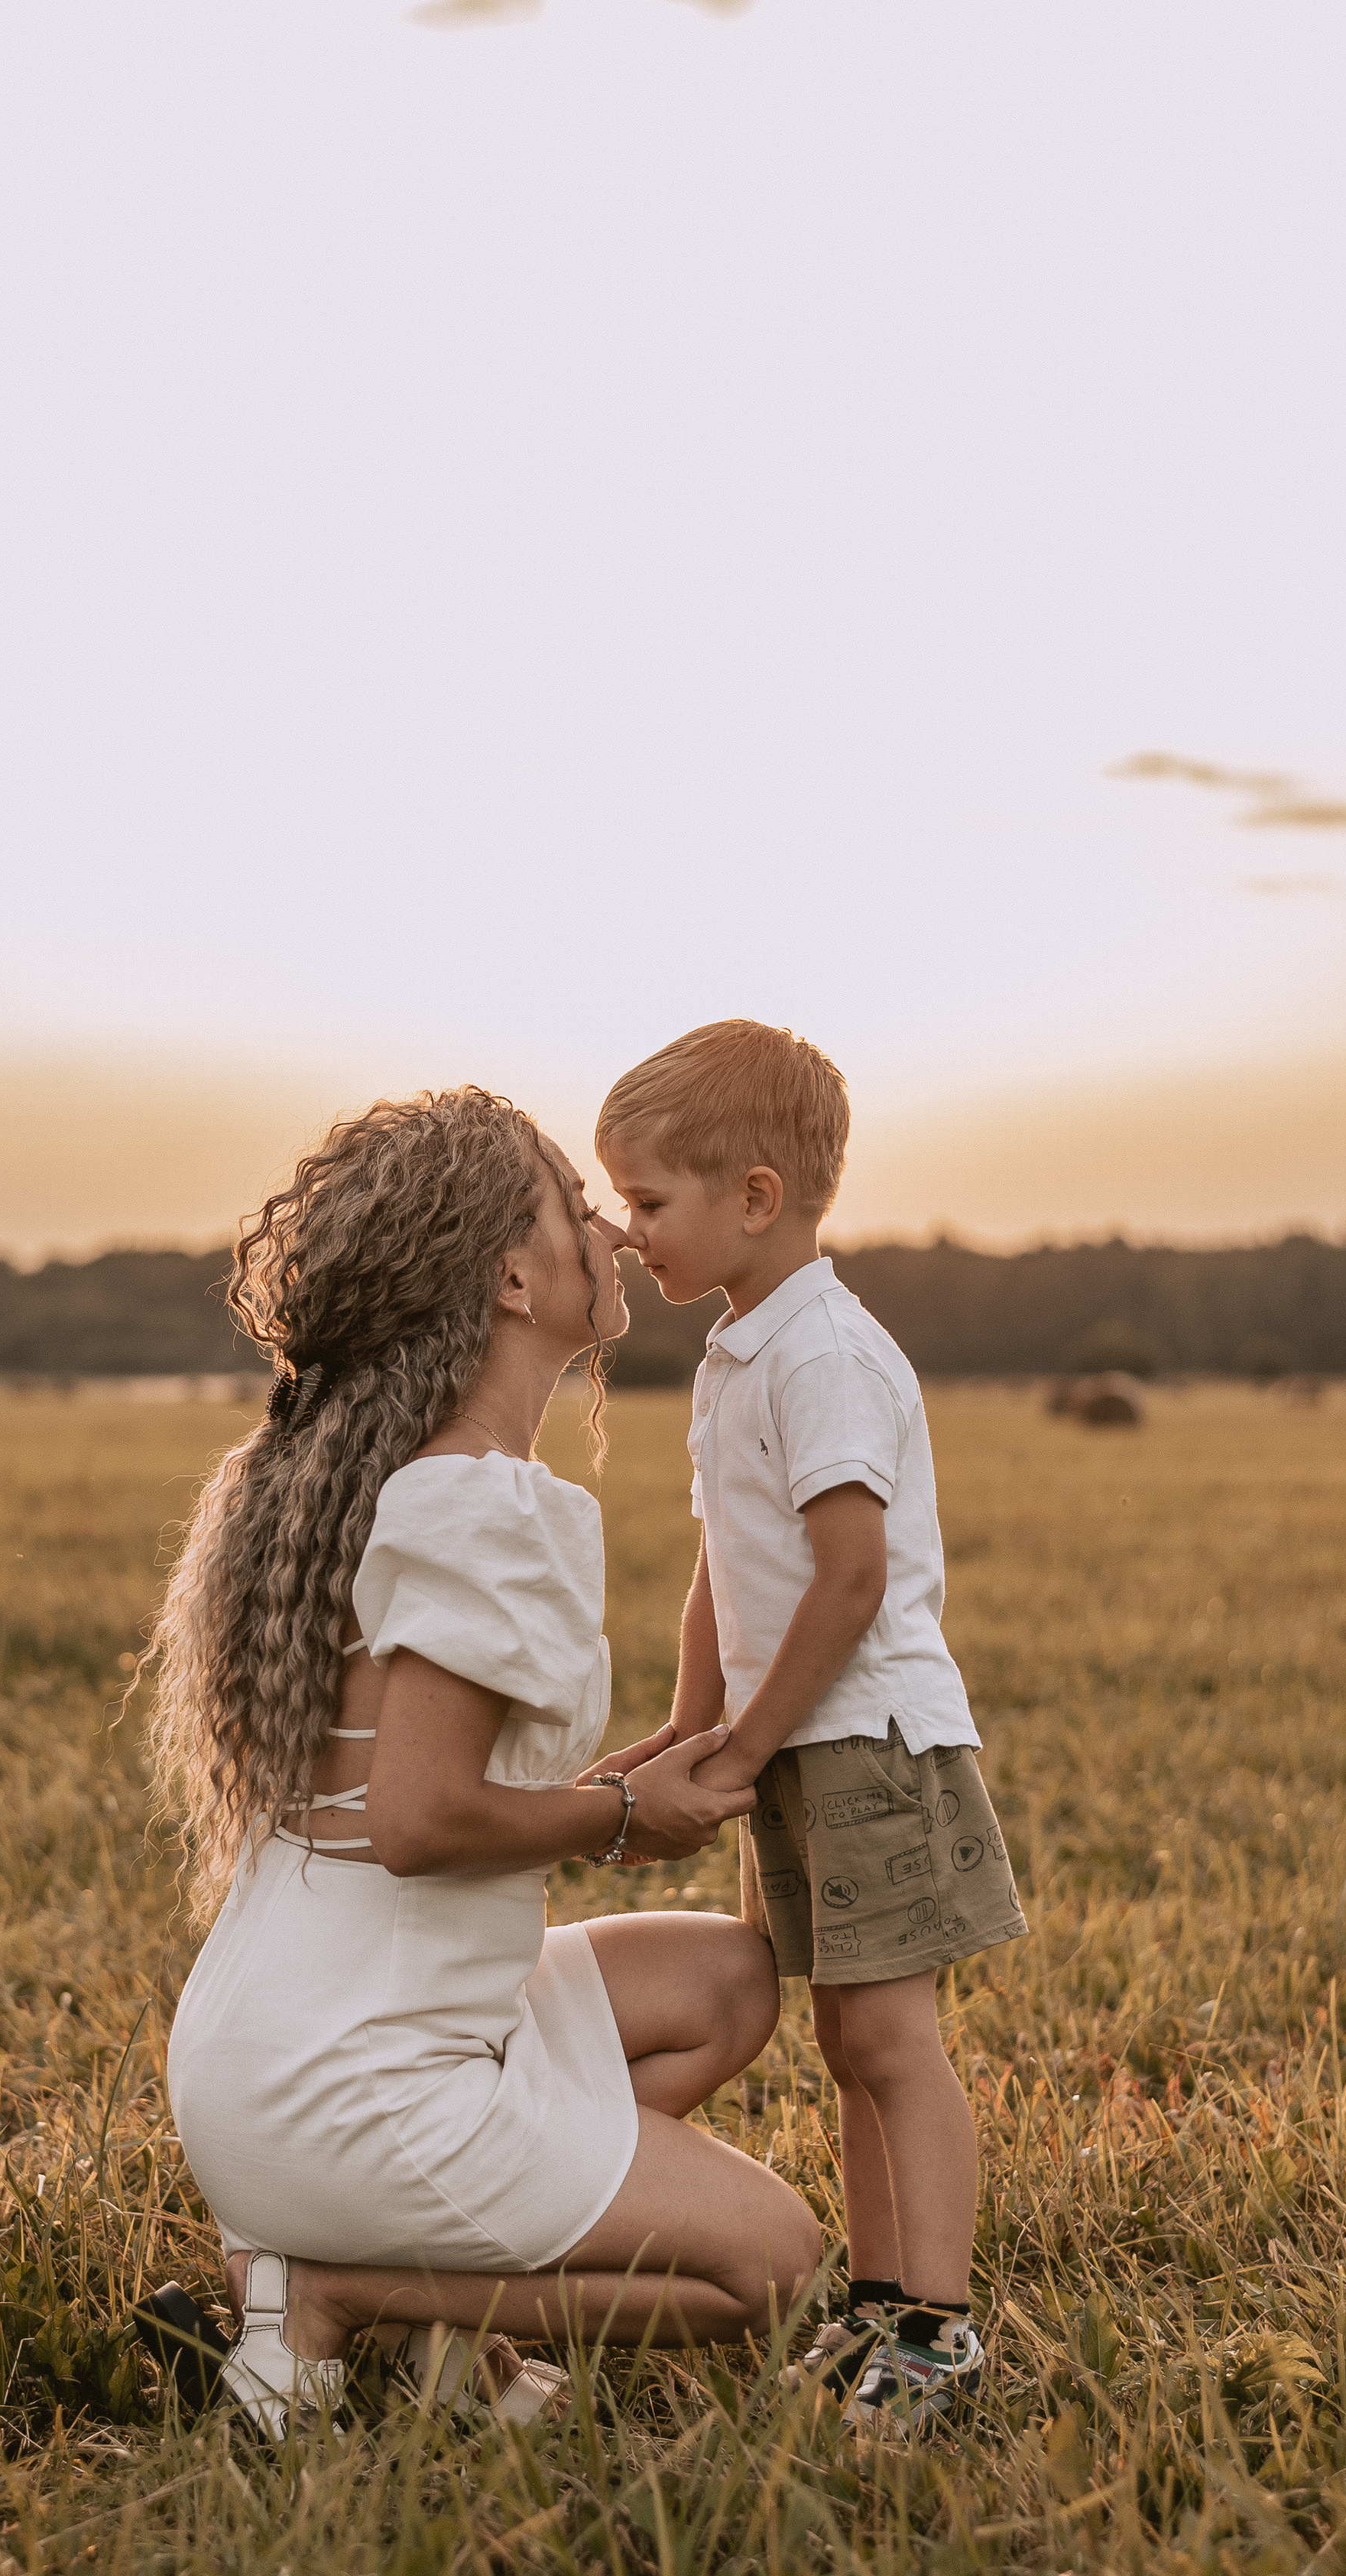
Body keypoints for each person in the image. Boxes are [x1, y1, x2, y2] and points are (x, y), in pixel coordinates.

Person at [137, 1086, 819, 2441]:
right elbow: (421, 1814)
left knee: (727, 1979)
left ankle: (443, 2304)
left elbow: (399, 1785)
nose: (613, 1232)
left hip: (284, 2046)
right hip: (355, 2081)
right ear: (513, 1276)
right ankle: (339, 2291)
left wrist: (619, 1790)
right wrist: (623, 1812)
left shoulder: (383, 1476)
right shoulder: (479, 1499)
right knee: (779, 2265)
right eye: (575, 1208)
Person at [595, 1021, 1029, 2442]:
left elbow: (850, 1578)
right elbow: (730, 1565)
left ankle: (939, 2328)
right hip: (793, 1741)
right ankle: (877, 2299)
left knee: (893, 2039)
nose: (628, 1229)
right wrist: (686, 1723)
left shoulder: (826, 1354)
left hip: (867, 1740)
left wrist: (743, 1744)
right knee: (845, 2037)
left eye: (651, 1202)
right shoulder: (739, 1351)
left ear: (758, 1197)